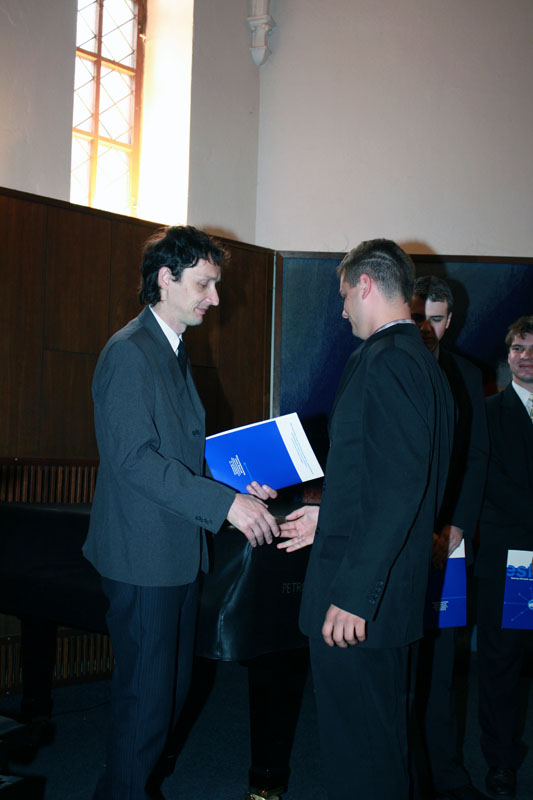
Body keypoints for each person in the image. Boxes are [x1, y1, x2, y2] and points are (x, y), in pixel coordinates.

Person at [82, 225, 280, 800]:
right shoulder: (129, 352)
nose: (215, 298)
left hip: (174, 554)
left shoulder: (169, 348)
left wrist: (239, 484)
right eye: (204, 284)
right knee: (146, 706)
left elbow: (182, 453)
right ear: (165, 279)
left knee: (164, 701)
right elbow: (134, 460)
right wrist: (225, 504)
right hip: (143, 558)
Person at [278, 239, 454, 800]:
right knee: (381, 751)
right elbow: (380, 480)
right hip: (385, 598)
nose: (342, 310)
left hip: (363, 605)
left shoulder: (390, 360)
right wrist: (324, 518)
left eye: (343, 295)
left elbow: (399, 490)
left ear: (366, 285)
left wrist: (355, 595)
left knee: (364, 763)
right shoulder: (416, 361)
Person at [410, 276, 489, 800]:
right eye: (419, 317)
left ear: (450, 321)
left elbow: (477, 456)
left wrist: (457, 526)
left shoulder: (468, 375)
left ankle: (447, 777)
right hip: (399, 541)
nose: (426, 328)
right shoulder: (388, 366)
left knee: (441, 667)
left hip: (450, 543)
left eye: (436, 319)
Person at [475, 316, 533, 799]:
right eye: (518, 348)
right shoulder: (489, 413)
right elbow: (490, 485)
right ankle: (501, 760)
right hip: (517, 563)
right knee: (504, 661)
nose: (526, 356)